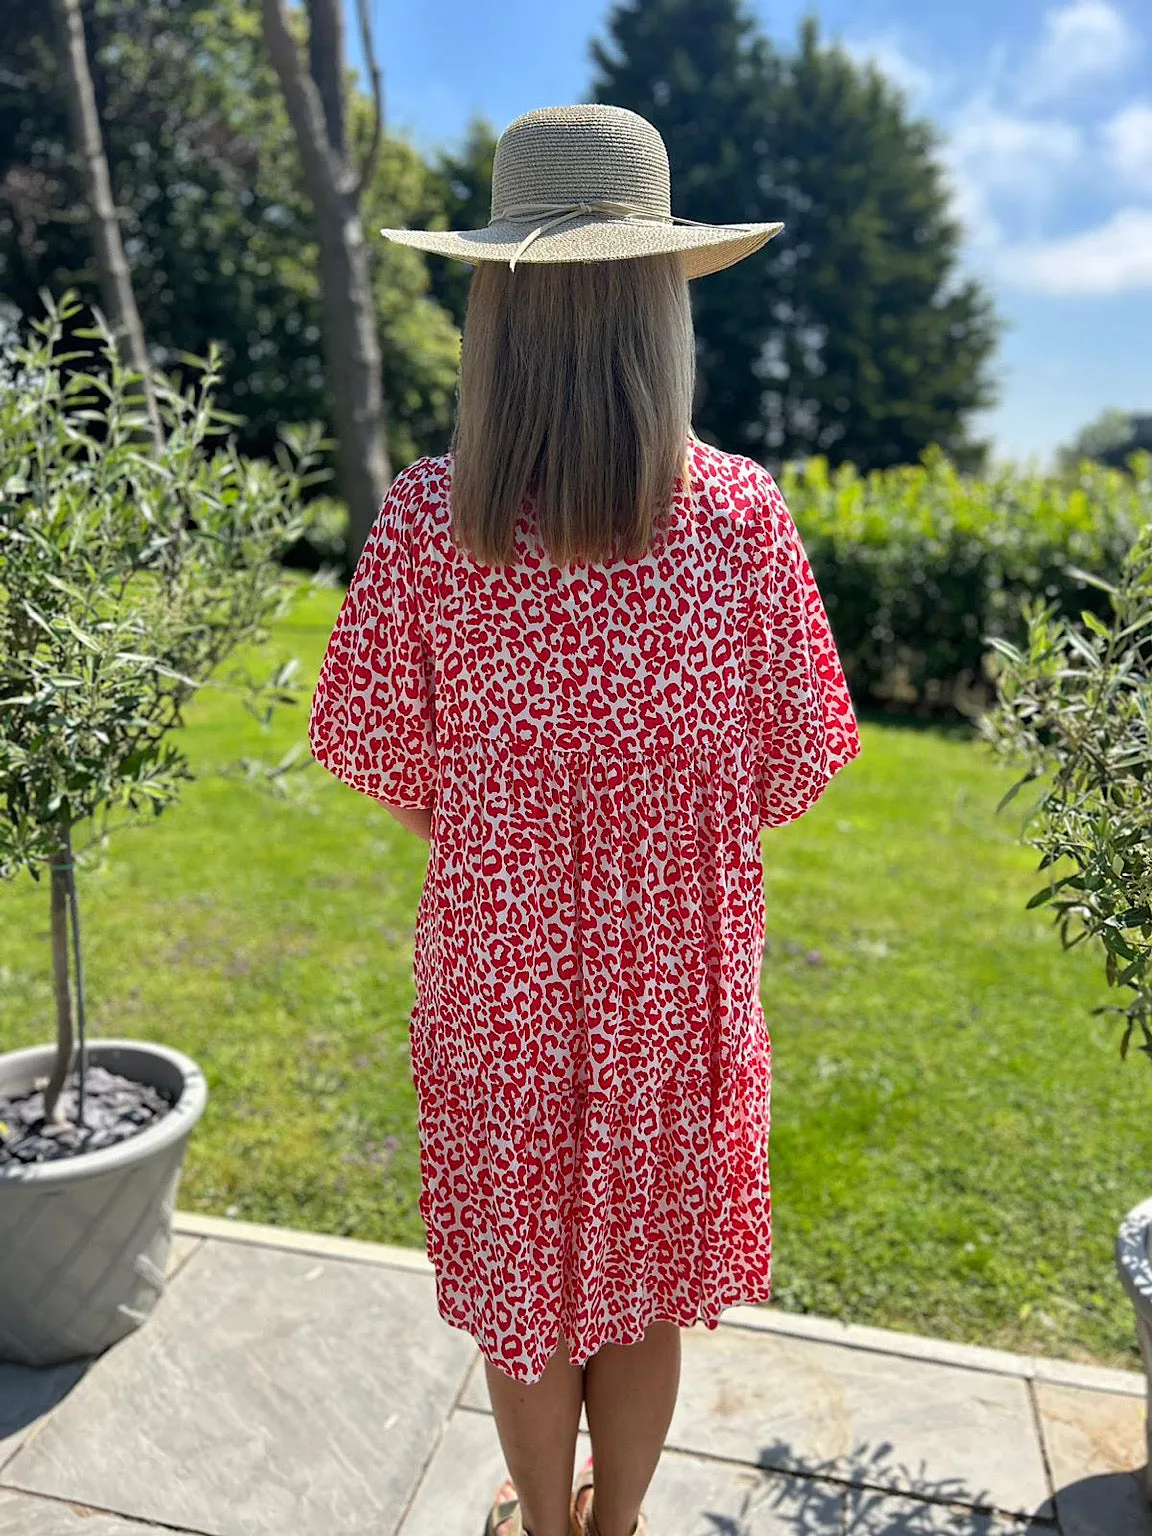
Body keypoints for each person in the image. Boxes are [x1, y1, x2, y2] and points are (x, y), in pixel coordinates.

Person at [308, 103, 862, 1536]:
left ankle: (545, 1529)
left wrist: (509, 829)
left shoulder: (433, 520)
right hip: (673, 986)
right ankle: (611, 1535)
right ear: (659, 308)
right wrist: (653, 828)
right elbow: (798, 764)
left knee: (523, 1287)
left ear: (498, 302)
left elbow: (376, 749)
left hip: (497, 975)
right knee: (645, 1285)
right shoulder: (742, 520)